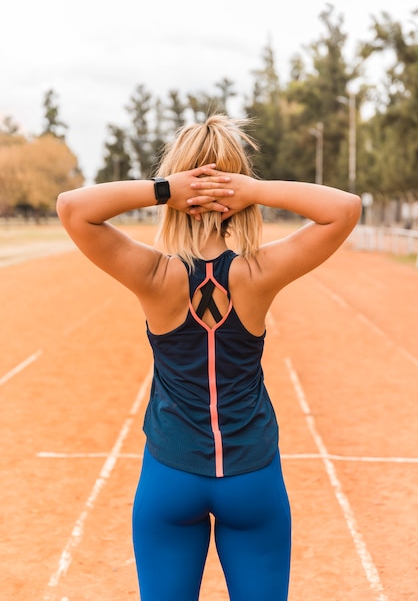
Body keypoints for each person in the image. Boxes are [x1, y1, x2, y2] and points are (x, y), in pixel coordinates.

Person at [56, 114, 361, 601]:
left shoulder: (154, 275)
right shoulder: (258, 273)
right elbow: (344, 209)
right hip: (252, 476)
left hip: (170, 475)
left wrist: (164, 189)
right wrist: (253, 191)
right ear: (236, 191)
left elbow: (73, 208)